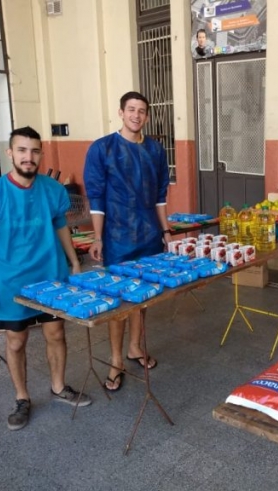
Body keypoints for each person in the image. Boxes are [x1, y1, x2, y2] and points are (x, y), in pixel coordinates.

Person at [0, 126, 92, 431]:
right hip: (9, 282)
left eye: (35, 151)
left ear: (40, 154)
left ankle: (59, 387)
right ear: (10, 153)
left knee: (56, 334)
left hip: (50, 278)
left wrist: (74, 261)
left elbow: (61, 225)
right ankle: (22, 397)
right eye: (22, 150)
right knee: (16, 340)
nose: (29, 157)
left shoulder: (52, 189)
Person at [84, 91, 171, 392]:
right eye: (131, 109)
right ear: (121, 113)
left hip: (148, 235)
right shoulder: (102, 149)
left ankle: (135, 347)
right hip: (117, 236)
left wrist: (166, 231)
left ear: (147, 116)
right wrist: (98, 236)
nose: (137, 115)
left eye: (142, 111)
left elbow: (160, 197)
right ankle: (116, 359)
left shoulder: (157, 151)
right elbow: (96, 197)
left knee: (142, 297)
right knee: (117, 300)